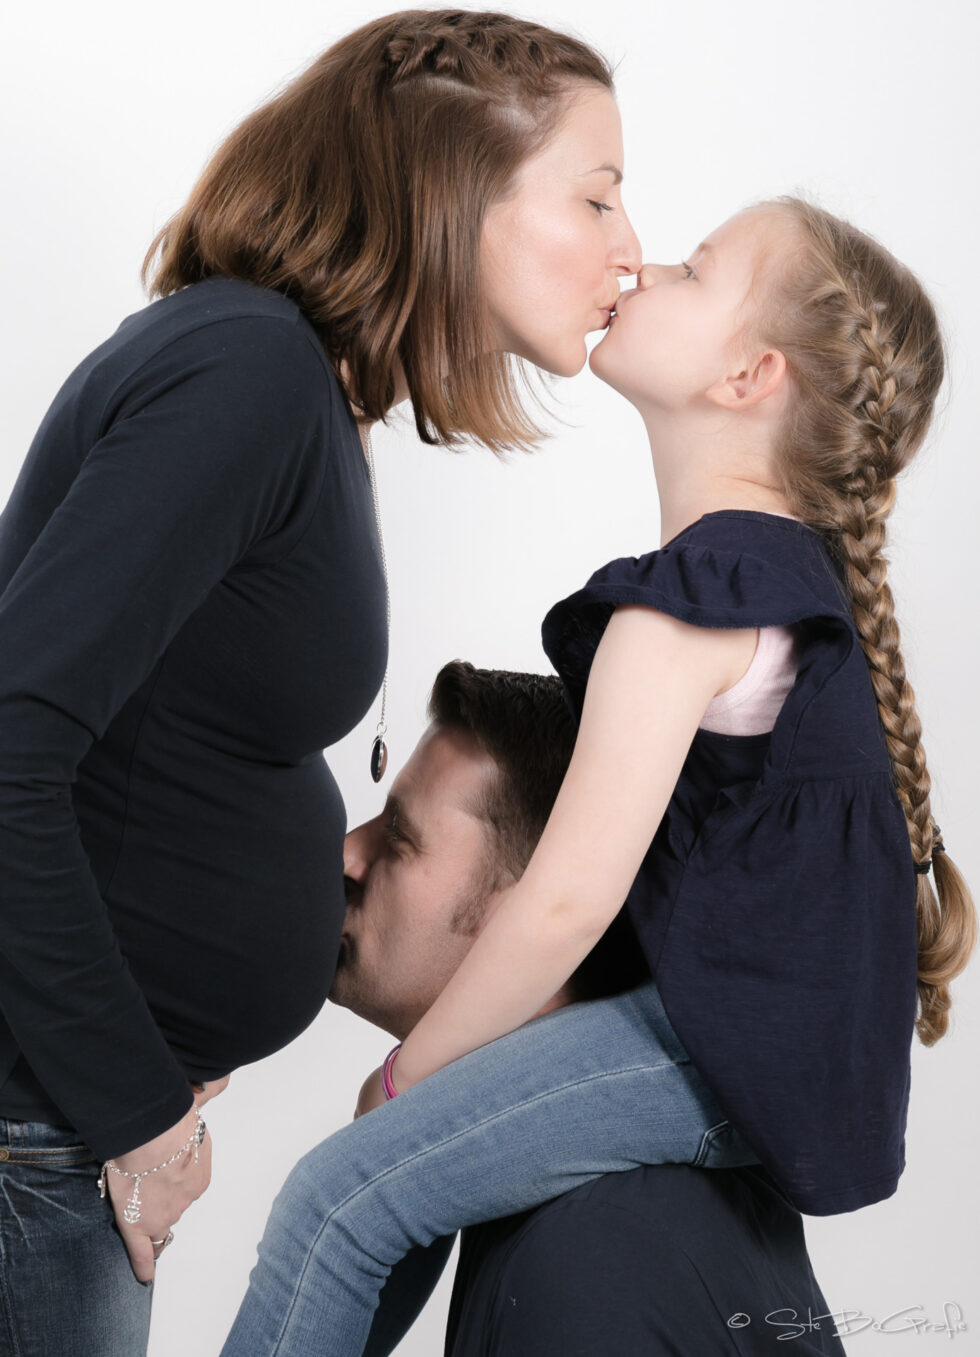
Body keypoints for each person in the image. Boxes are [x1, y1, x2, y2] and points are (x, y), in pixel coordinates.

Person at [221, 198, 977, 1357]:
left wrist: (406, 1074)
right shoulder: (774, 582)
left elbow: (566, 901)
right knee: (394, 1188)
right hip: (761, 1060)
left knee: (335, 1197)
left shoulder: (691, 607)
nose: (644, 265)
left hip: (713, 1055)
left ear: (747, 375)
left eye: (693, 269)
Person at [0, 11, 641, 1354]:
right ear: (453, 186)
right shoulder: (248, 372)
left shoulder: (298, 387)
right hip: (42, 1129)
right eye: (595, 197)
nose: (628, 250)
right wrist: (131, 1107)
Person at [336, 659, 844, 1356]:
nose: (347, 854)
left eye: (399, 838)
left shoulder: (585, 1263)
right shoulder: (582, 1201)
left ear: (526, 920)